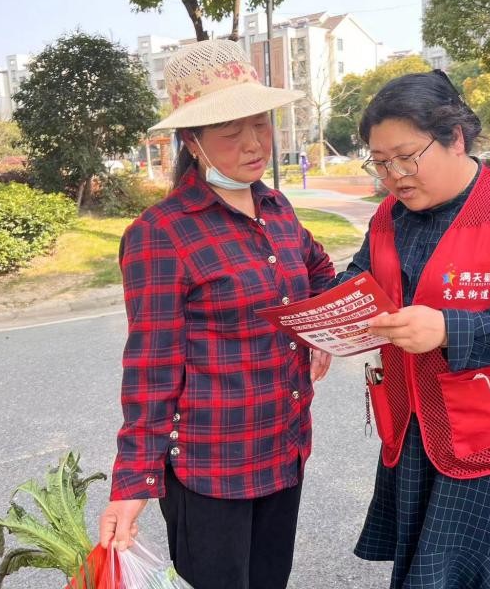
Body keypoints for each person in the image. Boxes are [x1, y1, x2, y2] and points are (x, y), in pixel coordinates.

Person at [97, 39, 335, 589]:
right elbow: (151, 371)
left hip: (285, 445)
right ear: (193, 141)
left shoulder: (276, 207)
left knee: (271, 579)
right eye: (231, 133)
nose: (254, 144)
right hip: (212, 468)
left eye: (261, 125)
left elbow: (319, 271)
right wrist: (132, 485)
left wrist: (320, 329)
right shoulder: (161, 234)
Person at [336, 70, 490, 588]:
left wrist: (448, 329)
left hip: (487, 433)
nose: (394, 175)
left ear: (455, 138)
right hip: (410, 427)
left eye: (406, 157)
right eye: (380, 164)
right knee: (425, 566)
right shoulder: (388, 216)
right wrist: (333, 310)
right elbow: (362, 278)